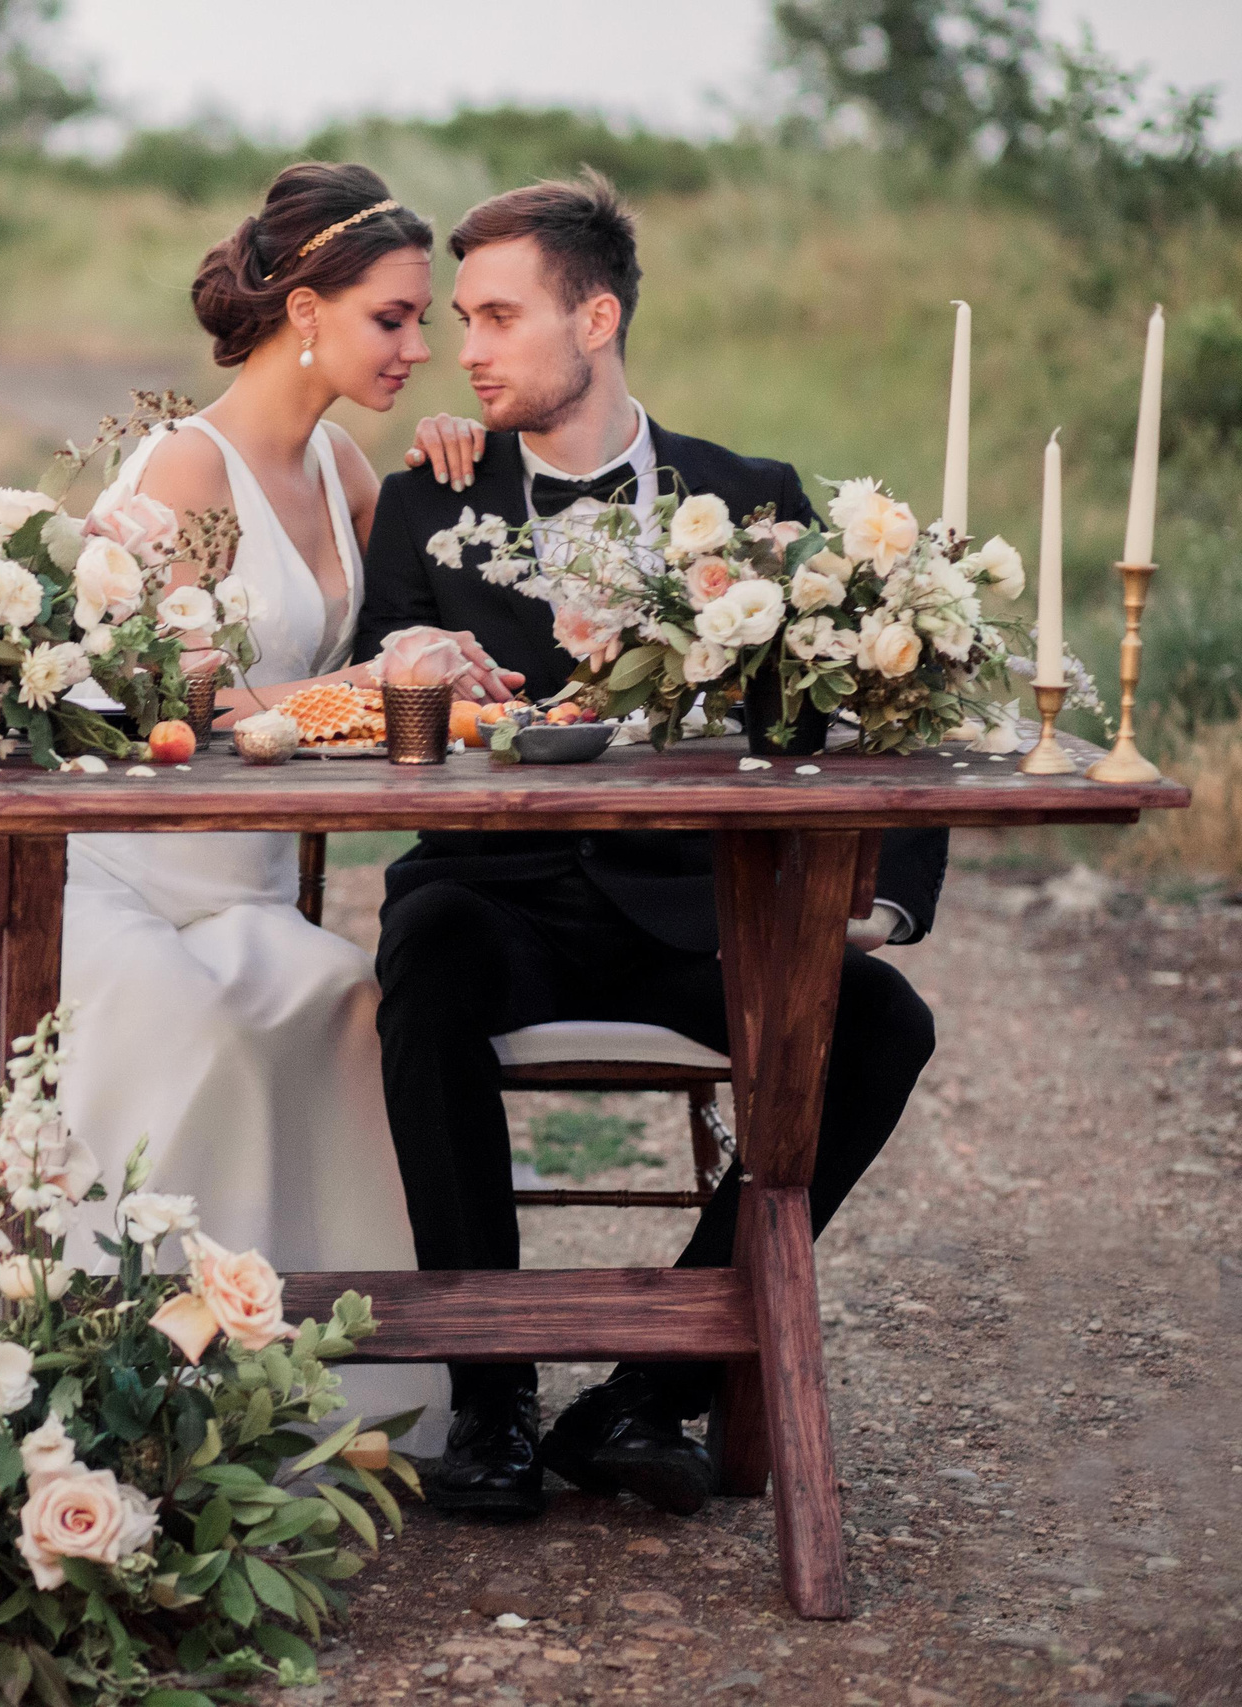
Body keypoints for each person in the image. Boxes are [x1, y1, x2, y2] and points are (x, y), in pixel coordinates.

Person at [354, 171, 946, 1521]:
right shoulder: (428, 500)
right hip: (491, 897)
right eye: (461, 317)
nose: (469, 346)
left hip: (695, 909)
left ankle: (654, 1383)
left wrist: (882, 901)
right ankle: (491, 1395)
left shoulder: (751, 500)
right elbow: (354, 689)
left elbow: (882, 700)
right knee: (427, 956)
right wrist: (408, 659)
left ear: (599, 316)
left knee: (880, 1021)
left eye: (500, 316)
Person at [0, 162, 452, 1449]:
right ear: (306, 311)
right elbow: (141, 706)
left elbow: (410, 622)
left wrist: (461, 470)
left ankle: (331, 1380)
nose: (419, 345)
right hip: (118, 881)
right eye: (394, 316)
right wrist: (344, 684)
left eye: (423, 318)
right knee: (197, 1029)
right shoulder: (183, 469)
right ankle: (138, 1387)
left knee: (348, 1001)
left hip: (248, 890)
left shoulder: (342, 466)